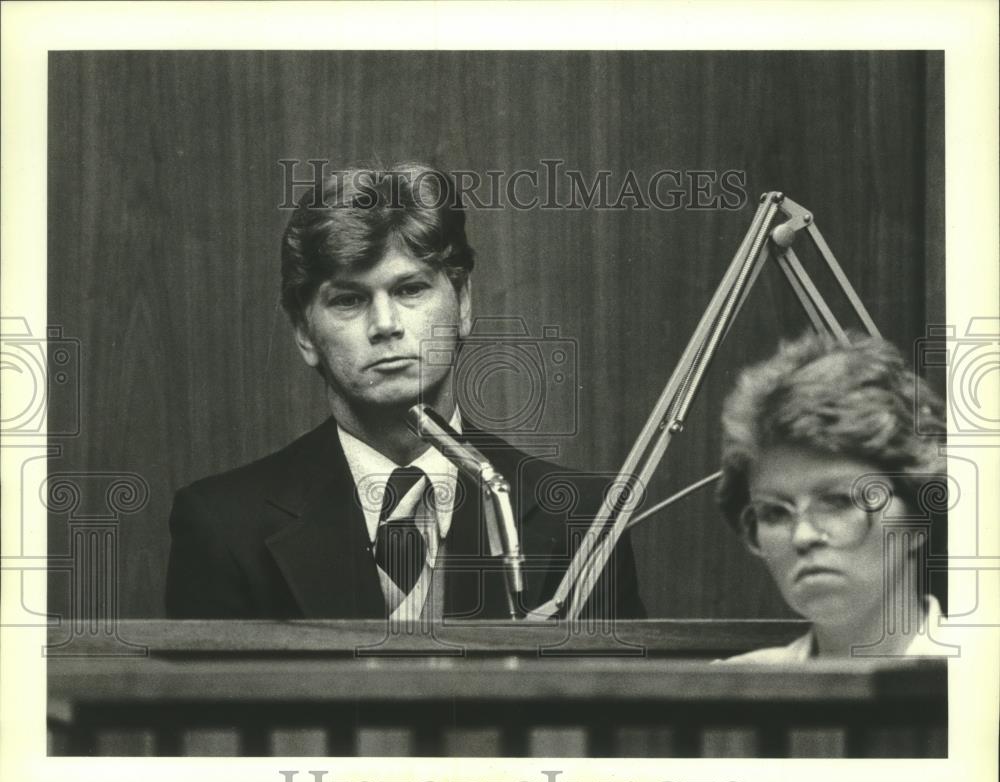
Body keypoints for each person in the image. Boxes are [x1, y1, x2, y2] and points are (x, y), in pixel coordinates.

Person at [165, 161, 644, 621]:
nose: (385, 325)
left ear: (462, 303)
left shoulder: (583, 516)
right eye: (349, 300)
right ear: (305, 332)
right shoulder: (223, 524)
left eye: (410, 290)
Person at [716, 331, 948, 661]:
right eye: (774, 513)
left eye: (839, 501)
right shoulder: (727, 698)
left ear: (917, 519)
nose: (803, 536)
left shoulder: (982, 678)